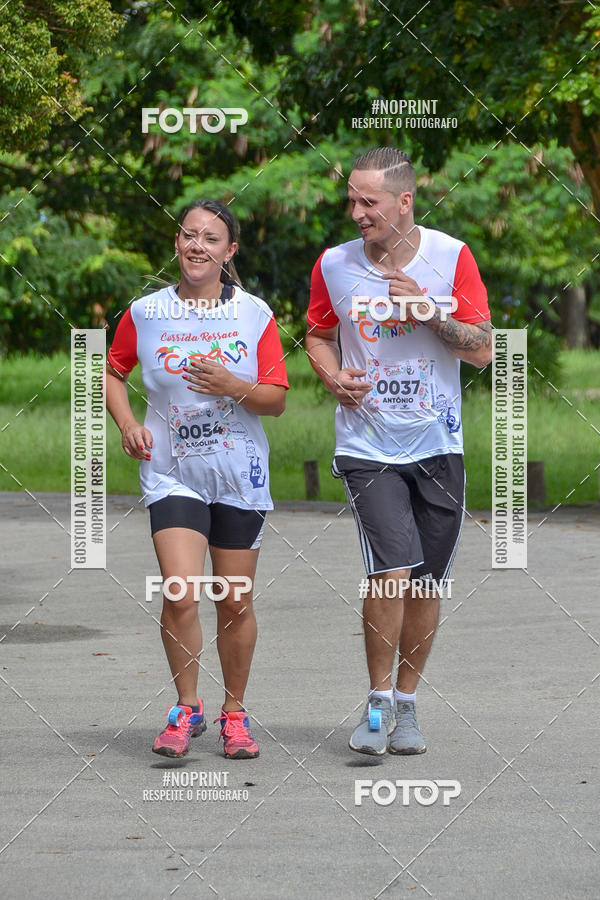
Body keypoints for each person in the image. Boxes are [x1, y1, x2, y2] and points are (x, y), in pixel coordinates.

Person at [306, 147, 491, 755]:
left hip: (438, 444)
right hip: (368, 444)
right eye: (351, 200)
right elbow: (318, 334)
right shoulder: (334, 264)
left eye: (369, 202)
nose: (355, 212)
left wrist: (428, 312)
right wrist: (333, 378)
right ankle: (378, 704)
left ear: (403, 201)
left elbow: (483, 349)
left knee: (427, 583)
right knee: (390, 571)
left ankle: (408, 704)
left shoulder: (451, 257)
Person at [106, 199, 288, 759]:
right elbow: (112, 371)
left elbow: (276, 400)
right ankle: (185, 708)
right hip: (173, 474)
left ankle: (235, 714)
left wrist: (232, 385)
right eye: (189, 235)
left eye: (211, 239)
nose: (196, 246)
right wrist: (129, 422)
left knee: (233, 600)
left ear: (229, 252)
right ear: (177, 242)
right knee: (181, 593)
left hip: (238, 474)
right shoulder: (145, 312)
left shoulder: (254, 315)